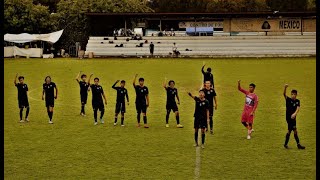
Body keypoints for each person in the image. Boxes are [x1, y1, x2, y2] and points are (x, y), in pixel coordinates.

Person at [283, 84, 305, 149]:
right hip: (288, 118)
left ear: (296, 95)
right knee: (293, 130)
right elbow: (284, 94)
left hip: (293, 118)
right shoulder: (288, 99)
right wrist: (285, 88)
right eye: (292, 94)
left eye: (294, 94)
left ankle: (286, 144)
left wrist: (295, 114)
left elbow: (298, 108)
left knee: (291, 131)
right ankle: (298, 144)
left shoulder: (297, 101)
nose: (293, 95)